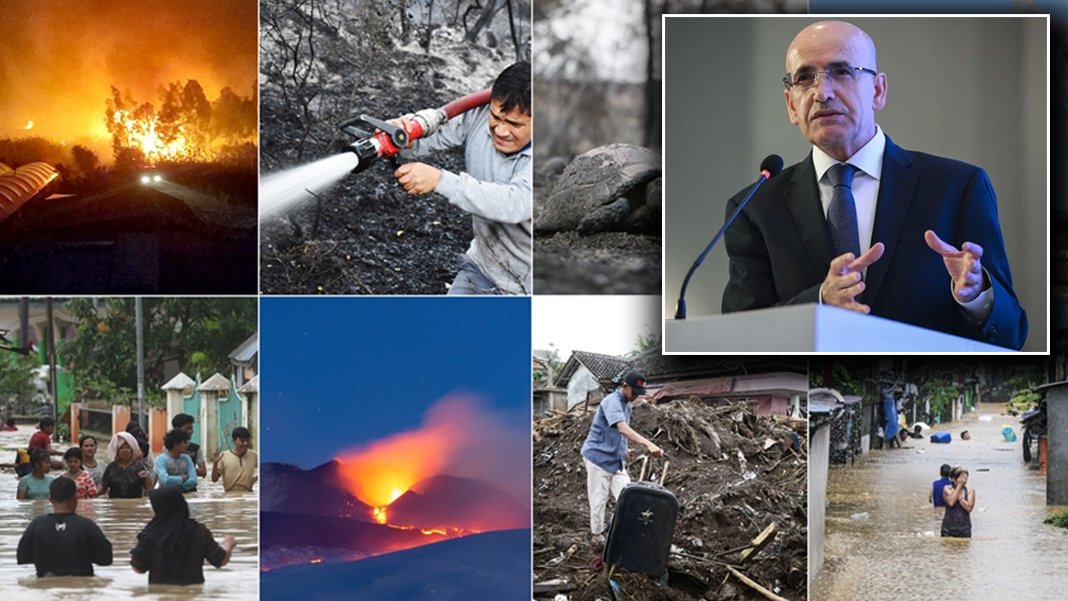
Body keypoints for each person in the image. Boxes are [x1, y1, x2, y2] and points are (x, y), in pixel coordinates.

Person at [720, 20, 1027, 350]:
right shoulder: (754, 208)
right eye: (805, 78)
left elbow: (1011, 335)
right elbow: (740, 334)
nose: (822, 93)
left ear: (878, 91)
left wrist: (977, 294)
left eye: (842, 71)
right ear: (792, 105)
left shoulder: (958, 187)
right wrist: (820, 302)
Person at [393, 61, 532, 295]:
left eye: (514, 124)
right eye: (496, 117)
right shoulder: (478, 115)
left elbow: (516, 202)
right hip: (480, 269)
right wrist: (400, 134)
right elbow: (433, 133)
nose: (500, 130)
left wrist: (440, 180)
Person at [580, 371, 664, 543]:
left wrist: (624, 450)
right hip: (598, 458)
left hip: (615, 460)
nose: (635, 397)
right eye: (633, 392)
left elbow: (618, 434)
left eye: (638, 394)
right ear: (625, 387)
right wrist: (648, 444)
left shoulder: (627, 404)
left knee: (628, 496)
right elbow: (622, 428)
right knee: (599, 498)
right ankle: (596, 535)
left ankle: (628, 530)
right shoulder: (611, 402)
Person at [130, 485, 237, 584]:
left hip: (159, 594)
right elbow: (220, 560)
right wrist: (228, 544)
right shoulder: (199, 531)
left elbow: (138, 568)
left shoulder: (150, 534)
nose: (150, 509)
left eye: (153, 506)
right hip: (193, 593)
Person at [16, 477, 113, 576]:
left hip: (46, 586)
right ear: (76, 498)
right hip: (80, 586)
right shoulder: (87, 526)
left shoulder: (36, 525)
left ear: (50, 499)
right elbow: (106, 559)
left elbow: (23, 557)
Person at [99, 431, 152, 499]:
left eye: (127, 447)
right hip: (115, 504)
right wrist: (93, 495)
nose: (125, 450)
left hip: (135, 504)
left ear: (132, 450)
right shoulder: (111, 467)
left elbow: (148, 487)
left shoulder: (138, 466)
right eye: (121, 448)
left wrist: (146, 477)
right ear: (117, 451)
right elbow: (103, 486)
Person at [212, 426, 258, 492]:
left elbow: (266, 470)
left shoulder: (254, 455)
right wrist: (215, 464)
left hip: (248, 496)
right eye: (242, 441)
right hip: (229, 497)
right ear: (234, 441)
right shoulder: (224, 456)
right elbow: (214, 479)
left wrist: (255, 479)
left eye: (247, 440)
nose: (245, 443)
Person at [941, 465, 975, 537]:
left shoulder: (970, 491)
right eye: (961, 477)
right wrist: (959, 486)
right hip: (948, 528)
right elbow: (951, 502)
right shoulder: (947, 489)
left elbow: (969, 508)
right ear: (954, 478)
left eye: (965, 477)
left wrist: (960, 498)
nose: (964, 479)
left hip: (964, 529)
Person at [171, 413, 207, 478]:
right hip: (171, 486)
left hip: (189, 485)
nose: (190, 431)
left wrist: (188, 469)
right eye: (187, 428)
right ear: (177, 429)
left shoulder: (196, 448)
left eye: (191, 428)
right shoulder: (168, 447)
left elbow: (203, 471)